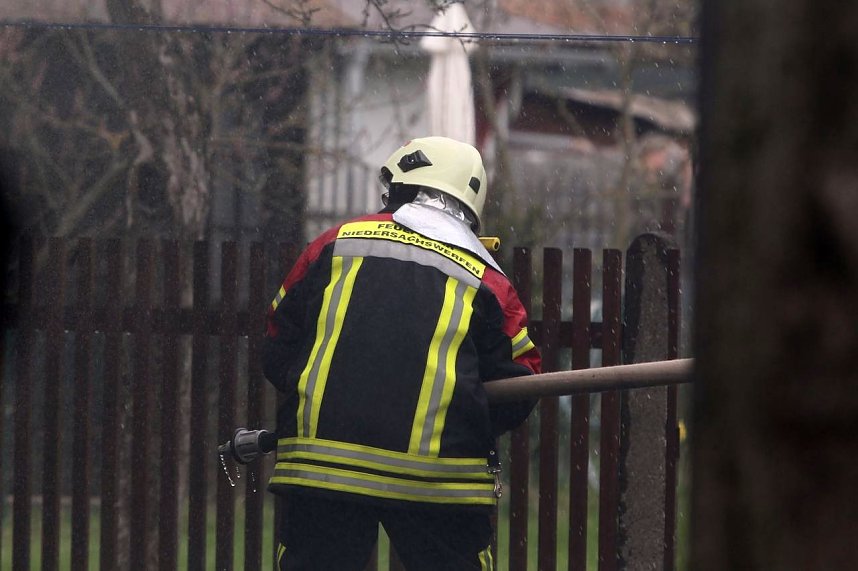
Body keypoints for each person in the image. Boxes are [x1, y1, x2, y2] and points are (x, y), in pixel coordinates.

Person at [263, 136, 541, 570]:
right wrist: (463, 418)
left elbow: (278, 343)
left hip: (321, 470)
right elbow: (520, 386)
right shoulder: (487, 280)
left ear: (401, 188)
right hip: (438, 484)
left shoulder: (334, 243)